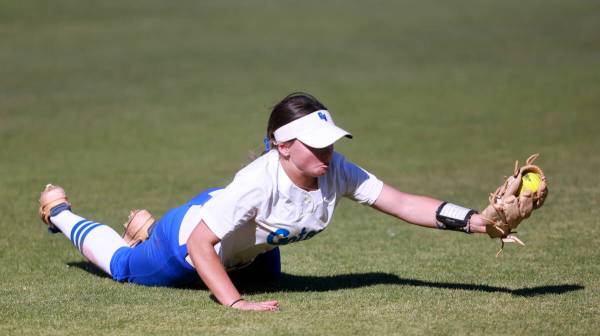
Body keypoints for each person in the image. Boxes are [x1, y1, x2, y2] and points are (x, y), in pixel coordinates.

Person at [39, 92, 493, 312]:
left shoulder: (334, 169)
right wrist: (235, 305)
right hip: (190, 243)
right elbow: (200, 246)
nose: (327, 152)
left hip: (250, 247)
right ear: (282, 146)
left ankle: (144, 233)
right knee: (123, 267)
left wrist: (476, 220)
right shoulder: (258, 183)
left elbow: (403, 203)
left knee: (262, 274)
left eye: (329, 141)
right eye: (314, 145)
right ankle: (61, 214)